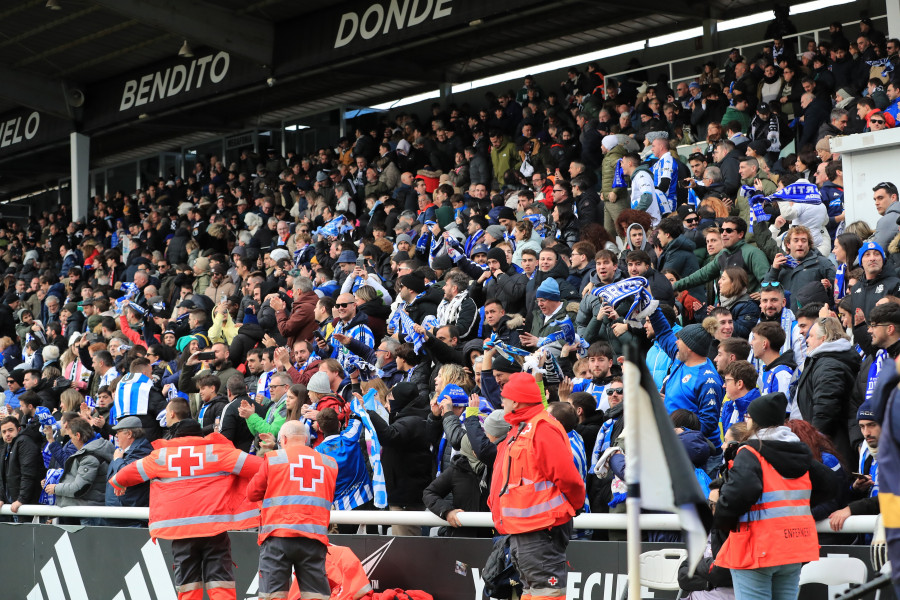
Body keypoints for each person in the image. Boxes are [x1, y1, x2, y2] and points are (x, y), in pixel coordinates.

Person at [108, 415, 262, 600]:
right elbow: (260, 468)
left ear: (176, 437)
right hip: (213, 530)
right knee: (220, 579)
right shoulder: (218, 452)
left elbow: (127, 473)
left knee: (188, 584)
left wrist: (119, 483)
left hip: (181, 533)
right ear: (200, 435)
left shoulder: (161, 456)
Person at [714, 392, 836, 600]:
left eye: (748, 417)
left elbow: (739, 494)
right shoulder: (799, 451)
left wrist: (721, 520)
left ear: (755, 421)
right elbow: (831, 485)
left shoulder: (751, 451)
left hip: (756, 547)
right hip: (793, 546)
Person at [489, 372, 585, 600]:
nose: (502, 402)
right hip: (525, 530)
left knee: (547, 592)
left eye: (505, 397)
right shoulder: (521, 428)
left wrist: (575, 504)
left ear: (517, 400)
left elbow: (568, 477)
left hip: (542, 531)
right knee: (533, 592)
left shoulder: (541, 428)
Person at [246, 421, 337, 600]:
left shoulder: (273, 459)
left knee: (273, 595)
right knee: (316, 595)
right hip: (314, 537)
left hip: (278, 536)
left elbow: (252, 493)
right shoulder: (329, 463)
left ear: (284, 439)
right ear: (305, 439)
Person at [793, 316, 860, 463]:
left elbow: (826, 408)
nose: (807, 340)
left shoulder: (828, 365)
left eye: (810, 336)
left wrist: (814, 441)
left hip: (833, 447)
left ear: (823, 339)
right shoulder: (824, 361)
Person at [48, 416, 114, 526]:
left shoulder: (90, 457)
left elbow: (79, 488)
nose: (71, 441)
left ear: (78, 435)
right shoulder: (91, 451)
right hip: (85, 511)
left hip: (88, 514)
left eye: (71, 437)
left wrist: (55, 488)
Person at [105, 415, 153, 526]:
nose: (116, 436)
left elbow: (126, 474)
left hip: (131, 517)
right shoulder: (125, 451)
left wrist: (117, 460)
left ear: (129, 434)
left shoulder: (142, 450)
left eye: (119, 432)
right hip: (119, 515)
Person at [0, 415, 42, 517]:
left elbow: (28, 474)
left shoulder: (24, 442)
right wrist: (1, 498)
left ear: (19, 429)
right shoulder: (6, 447)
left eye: (10, 430)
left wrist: (21, 499)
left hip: (25, 505)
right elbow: (3, 476)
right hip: (11, 503)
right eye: (4, 432)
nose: (7, 434)